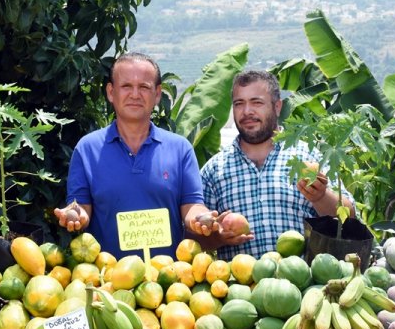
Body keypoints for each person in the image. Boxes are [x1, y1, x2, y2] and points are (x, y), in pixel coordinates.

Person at [53, 52, 215, 259]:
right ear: (111, 92)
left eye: (144, 87)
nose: (135, 94)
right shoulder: (87, 149)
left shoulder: (180, 149)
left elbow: (192, 205)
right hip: (107, 280)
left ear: (157, 94)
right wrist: (74, 215)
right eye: (126, 86)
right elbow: (81, 207)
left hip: (168, 281)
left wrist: (201, 218)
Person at [191, 69, 354, 259]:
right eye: (239, 104)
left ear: (277, 107)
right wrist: (219, 237)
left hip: (302, 285)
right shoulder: (214, 170)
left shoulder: (307, 156)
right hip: (240, 287)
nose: (247, 112)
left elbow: (348, 217)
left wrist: (320, 196)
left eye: (257, 102)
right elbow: (197, 238)